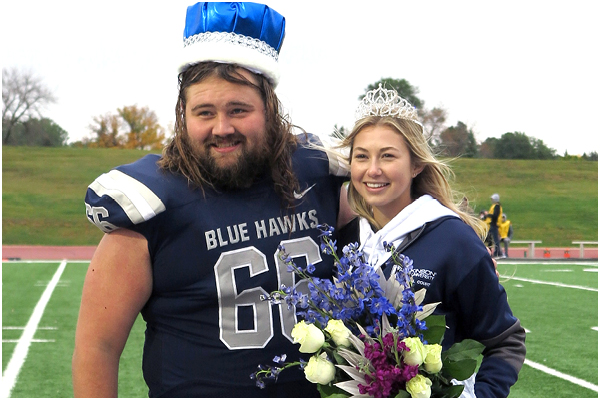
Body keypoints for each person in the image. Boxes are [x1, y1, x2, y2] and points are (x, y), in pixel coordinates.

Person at [72, 2, 353, 397]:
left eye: (239, 109)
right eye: (205, 112)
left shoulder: (317, 174)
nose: (223, 128)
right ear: (182, 114)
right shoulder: (151, 202)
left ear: (270, 109)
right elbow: (97, 347)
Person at [335, 85, 526, 397]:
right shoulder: (346, 238)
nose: (373, 169)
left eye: (388, 156)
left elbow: (506, 340)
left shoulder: (454, 240)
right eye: (361, 157)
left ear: (416, 165)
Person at [488, 193, 503, 257]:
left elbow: (495, 216)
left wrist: (488, 215)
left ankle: (497, 253)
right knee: (490, 238)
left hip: (494, 225)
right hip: (492, 225)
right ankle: (493, 252)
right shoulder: (495, 206)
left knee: (495, 239)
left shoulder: (497, 206)